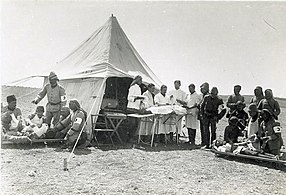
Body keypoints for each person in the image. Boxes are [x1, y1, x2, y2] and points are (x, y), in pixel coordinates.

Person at [197, 82, 209, 147]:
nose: (201, 90)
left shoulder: (207, 96)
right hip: (202, 115)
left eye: (203, 88)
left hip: (206, 116)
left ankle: (206, 143)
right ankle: (203, 142)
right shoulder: (202, 96)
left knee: (205, 130)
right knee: (202, 129)